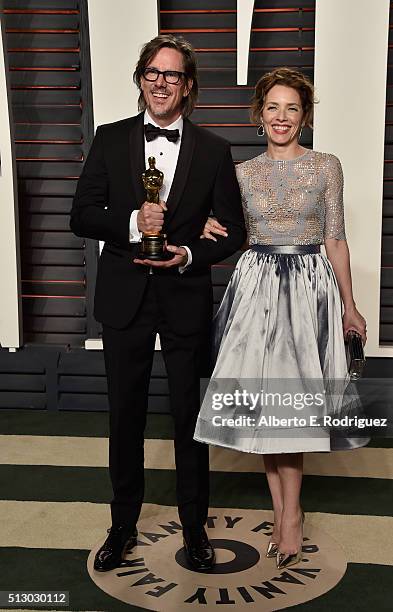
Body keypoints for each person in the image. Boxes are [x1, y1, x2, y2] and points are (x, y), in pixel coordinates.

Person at [70, 34, 246, 572]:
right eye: (153, 72)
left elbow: (233, 229)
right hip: (124, 299)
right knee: (125, 417)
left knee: (188, 420)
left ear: (187, 86)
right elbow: (81, 215)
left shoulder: (215, 149)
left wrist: (190, 253)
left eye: (172, 75)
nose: (161, 82)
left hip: (183, 298)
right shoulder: (109, 138)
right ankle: (122, 526)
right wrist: (129, 223)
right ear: (141, 79)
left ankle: (195, 530)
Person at [194, 68, 367, 570]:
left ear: (304, 115)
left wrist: (349, 305)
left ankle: (290, 516)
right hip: (256, 290)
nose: (282, 117)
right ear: (259, 113)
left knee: (293, 407)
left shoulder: (326, 166)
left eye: (292, 108)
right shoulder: (242, 173)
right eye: (273, 107)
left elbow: (335, 237)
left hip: (310, 287)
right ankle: (284, 511)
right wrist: (201, 222)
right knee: (270, 408)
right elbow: (227, 230)